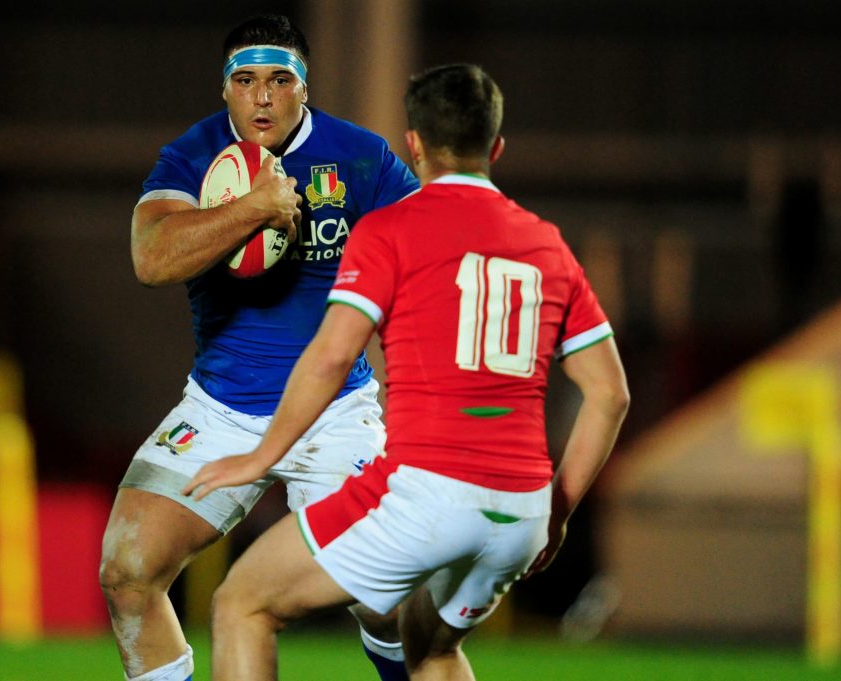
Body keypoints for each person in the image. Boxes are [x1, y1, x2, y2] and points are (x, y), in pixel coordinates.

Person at [183, 63, 631, 680]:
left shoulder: (391, 230)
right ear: (495, 147)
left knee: (242, 602)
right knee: (432, 646)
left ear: (414, 144)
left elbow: (333, 355)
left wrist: (260, 458)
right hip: (520, 509)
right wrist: (555, 510)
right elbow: (610, 395)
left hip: (426, 494)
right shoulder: (547, 245)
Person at [98, 13, 420, 681]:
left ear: (306, 88)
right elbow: (151, 258)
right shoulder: (191, 156)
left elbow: (424, 270)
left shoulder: (361, 157)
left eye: (280, 80)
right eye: (245, 81)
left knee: (386, 602)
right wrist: (255, 207)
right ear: (225, 90)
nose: (263, 97)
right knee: (127, 572)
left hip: (334, 412)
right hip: (220, 410)